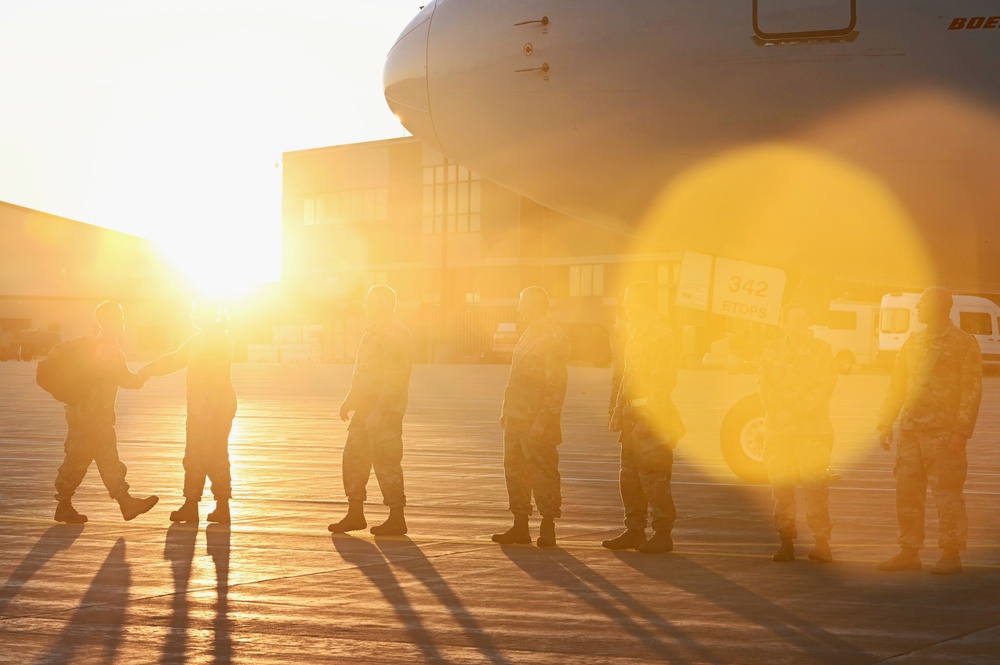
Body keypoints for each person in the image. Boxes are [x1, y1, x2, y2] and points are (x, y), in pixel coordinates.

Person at [877, 286, 982, 575]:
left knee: (947, 492)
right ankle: (909, 551)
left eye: (922, 304)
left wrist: (961, 430)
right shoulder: (913, 342)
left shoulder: (963, 343)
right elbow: (897, 385)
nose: (917, 309)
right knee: (907, 492)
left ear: (938, 307)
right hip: (910, 431)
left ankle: (951, 553)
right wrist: (886, 421)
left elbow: (971, 390)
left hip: (944, 433)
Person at [53, 301, 158, 523]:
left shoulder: (93, 344)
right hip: (92, 416)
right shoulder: (108, 349)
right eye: (118, 317)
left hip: (86, 414)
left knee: (101, 458)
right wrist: (147, 372)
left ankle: (123, 502)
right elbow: (128, 380)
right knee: (80, 459)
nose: (122, 321)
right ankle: (67, 504)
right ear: (108, 321)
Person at [140, 301, 238, 524]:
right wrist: (149, 370)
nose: (192, 315)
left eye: (196, 312)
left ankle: (191, 505)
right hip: (217, 403)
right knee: (216, 453)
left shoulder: (208, 339)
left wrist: (147, 371)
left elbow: (177, 359)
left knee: (197, 454)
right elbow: (177, 357)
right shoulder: (213, 337)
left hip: (208, 405)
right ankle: (220, 506)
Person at [604, 281, 684, 554]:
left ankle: (663, 533)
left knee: (655, 478)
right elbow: (626, 377)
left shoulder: (660, 333)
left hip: (651, 419)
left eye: (632, 300)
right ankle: (634, 529)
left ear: (646, 302)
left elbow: (664, 379)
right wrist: (617, 412)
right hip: (630, 418)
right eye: (626, 300)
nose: (627, 306)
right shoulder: (635, 333)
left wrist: (647, 415)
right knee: (629, 477)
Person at [329, 285, 414, 536]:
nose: (366, 307)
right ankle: (355, 513)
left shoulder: (396, 334)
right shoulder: (372, 332)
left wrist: (380, 409)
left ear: (384, 305)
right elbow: (363, 372)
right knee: (354, 459)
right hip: (364, 409)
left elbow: (394, 378)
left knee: (387, 463)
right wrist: (349, 399)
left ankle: (396, 517)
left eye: (370, 302)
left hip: (384, 411)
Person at [757, 304, 837, 563]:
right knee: (781, 486)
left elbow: (827, 385)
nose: (801, 323)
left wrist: (796, 411)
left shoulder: (822, 350)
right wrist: (780, 413)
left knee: (815, 487)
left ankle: (821, 542)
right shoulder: (772, 351)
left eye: (804, 318)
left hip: (811, 430)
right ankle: (786, 541)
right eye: (795, 319)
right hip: (780, 431)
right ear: (784, 323)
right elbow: (764, 386)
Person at [492, 286, 571, 547]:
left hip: (536, 420)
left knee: (543, 471)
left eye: (523, 303)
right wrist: (506, 411)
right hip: (516, 417)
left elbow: (556, 384)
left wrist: (544, 420)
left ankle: (547, 526)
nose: (520, 308)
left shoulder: (553, 337)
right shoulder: (529, 333)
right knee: (515, 471)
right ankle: (520, 525)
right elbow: (516, 376)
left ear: (536, 305)